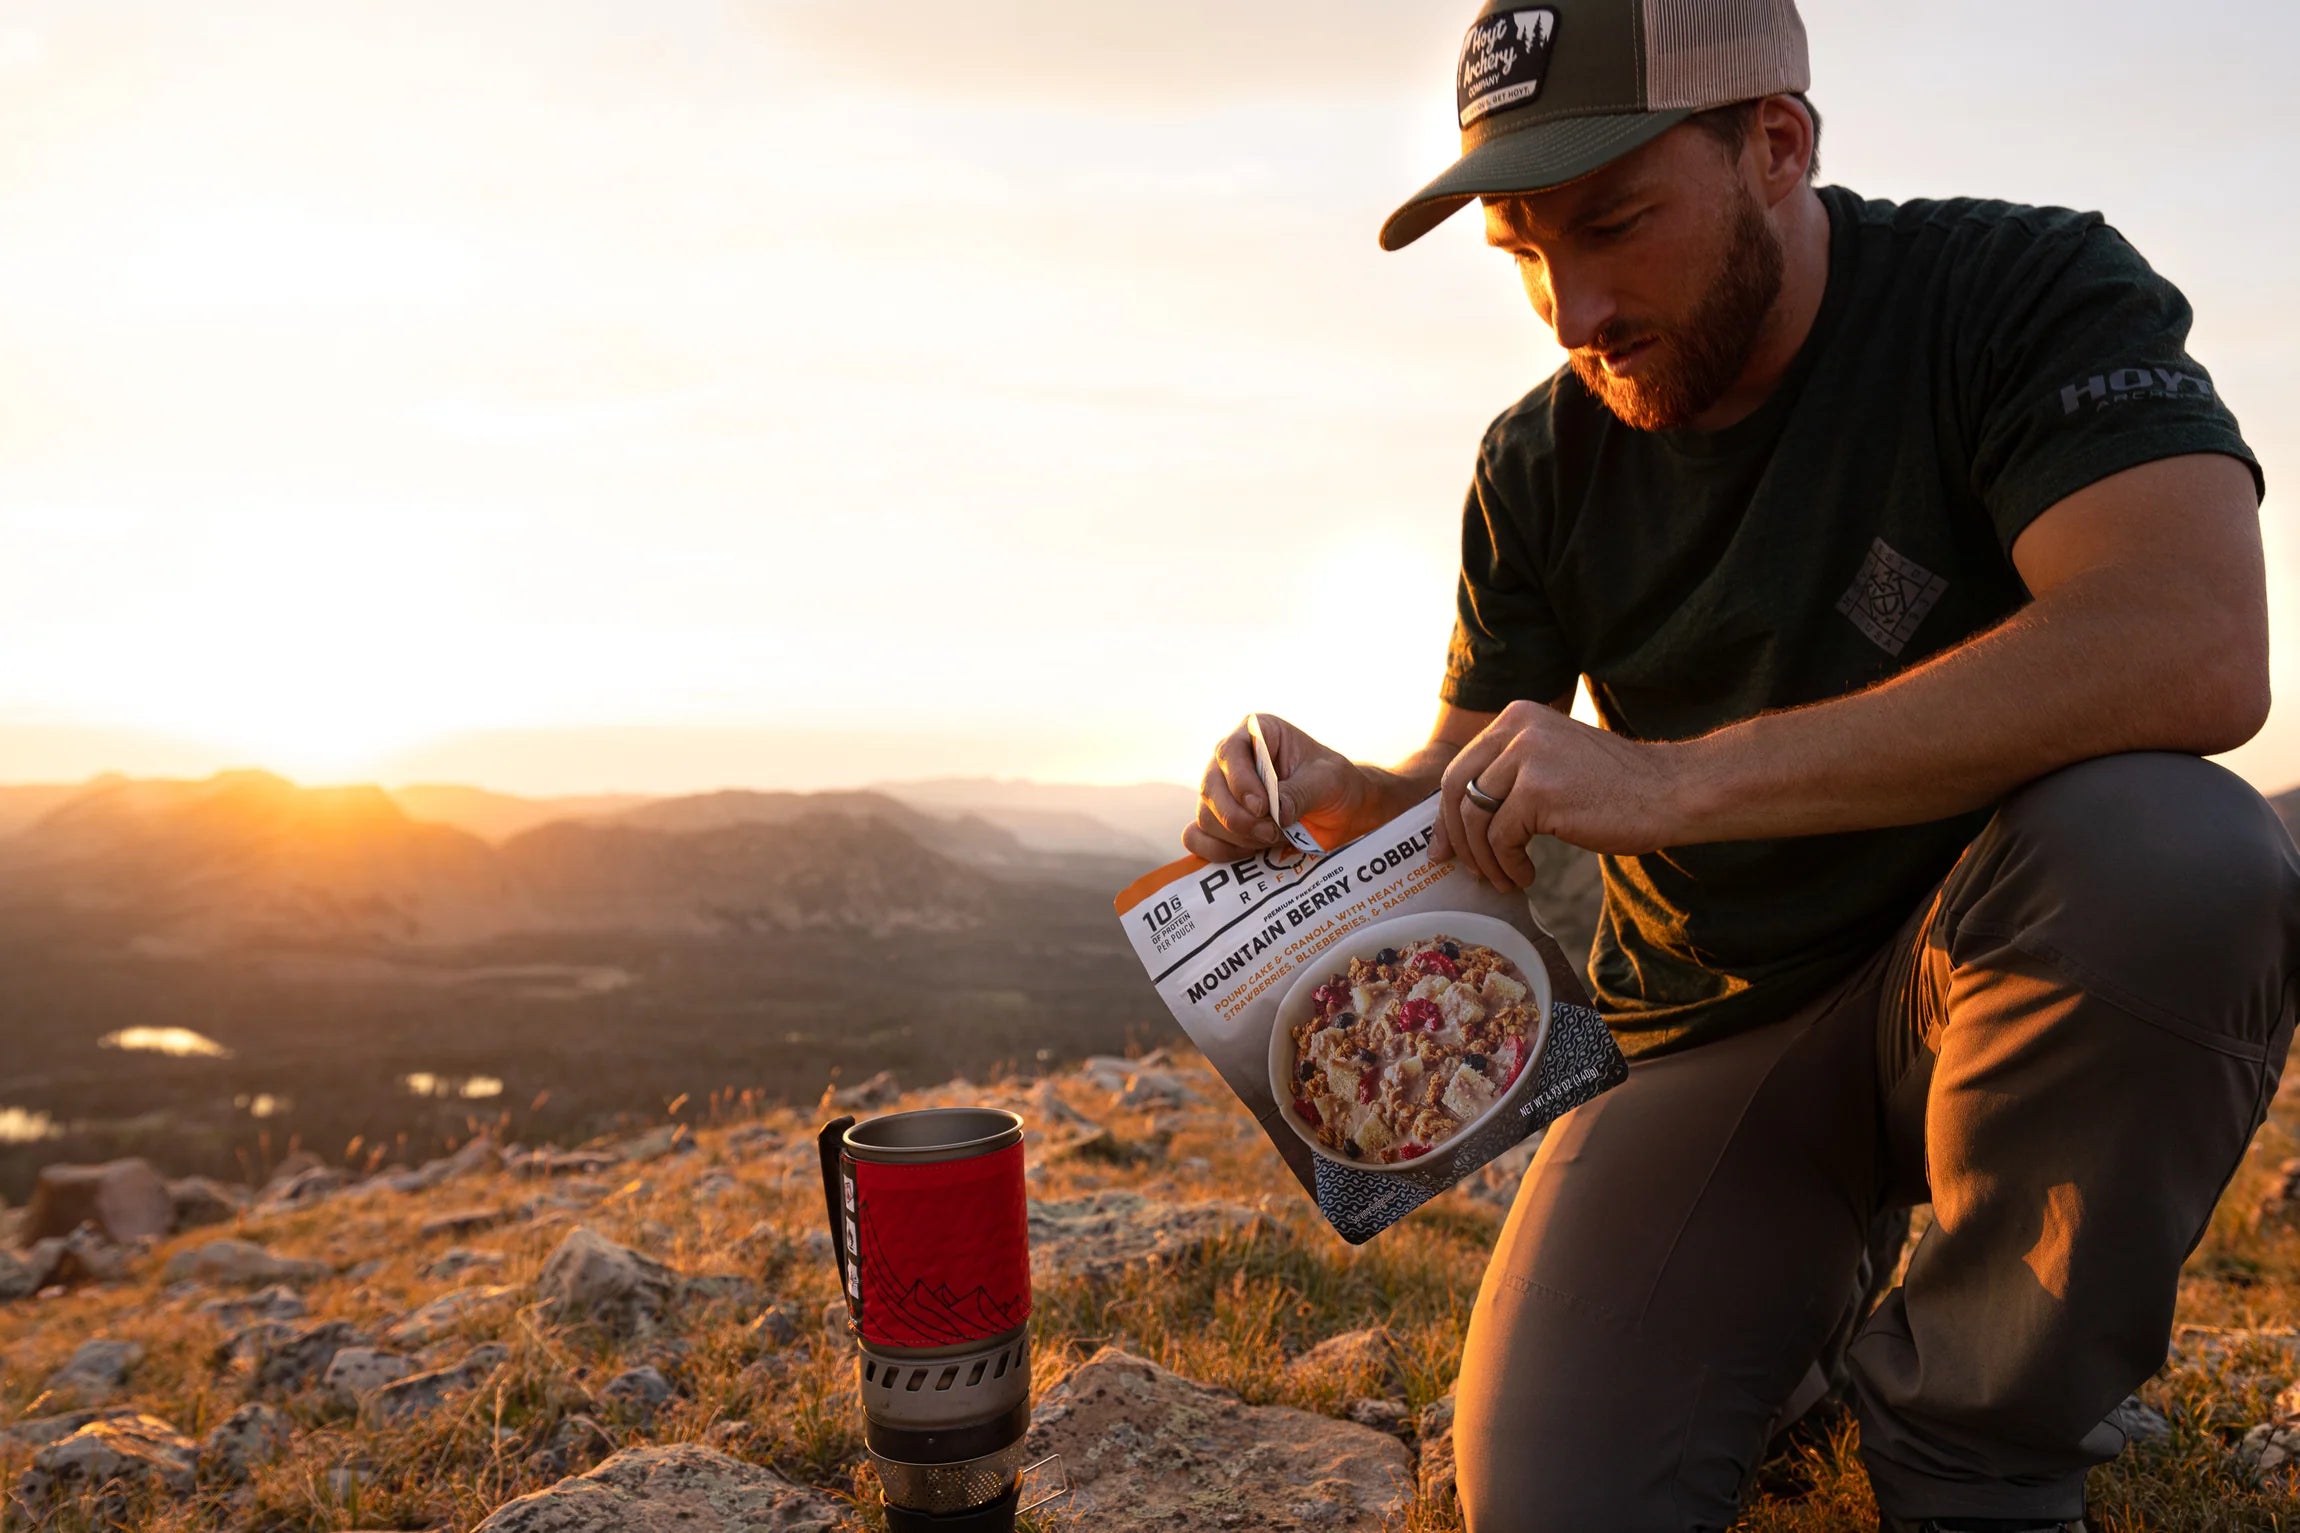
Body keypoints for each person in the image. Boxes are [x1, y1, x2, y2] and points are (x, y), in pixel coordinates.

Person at [1180, 2, 2299, 1530]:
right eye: (1522, 252)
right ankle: (1795, 1309)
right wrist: (1355, 797)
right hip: (1708, 1033)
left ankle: (1978, 1444)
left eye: (1613, 224)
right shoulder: (1538, 463)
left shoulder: (2015, 292)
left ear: (1777, 144)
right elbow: (1473, 765)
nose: (1571, 310)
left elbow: (2194, 636)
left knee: (2179, 851)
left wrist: (1672, 782)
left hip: (2005, 972)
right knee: (1556, 1503)